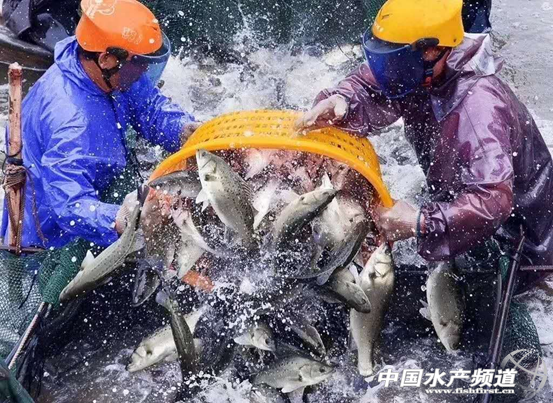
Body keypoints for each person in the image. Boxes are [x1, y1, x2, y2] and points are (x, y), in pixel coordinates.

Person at [296, 0, 553, 346]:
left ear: (434, 51)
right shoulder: (419, 71)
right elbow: (372, 84)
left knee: (474, 317)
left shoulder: (478, 105)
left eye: (393, 60)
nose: (386, 69)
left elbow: (493, 201)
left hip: (520, 241)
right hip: (455, 194)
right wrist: (343, 100)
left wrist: (420, 222)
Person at [1, 0, 199, 249]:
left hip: (99, 183)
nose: (143, 71)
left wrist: (184, 130)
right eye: (140, 64)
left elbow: (149, 107)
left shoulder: (105, 67)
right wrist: (119, 217)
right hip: (51, 240)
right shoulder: (72, 123)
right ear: (106, 59)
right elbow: (69, 205)